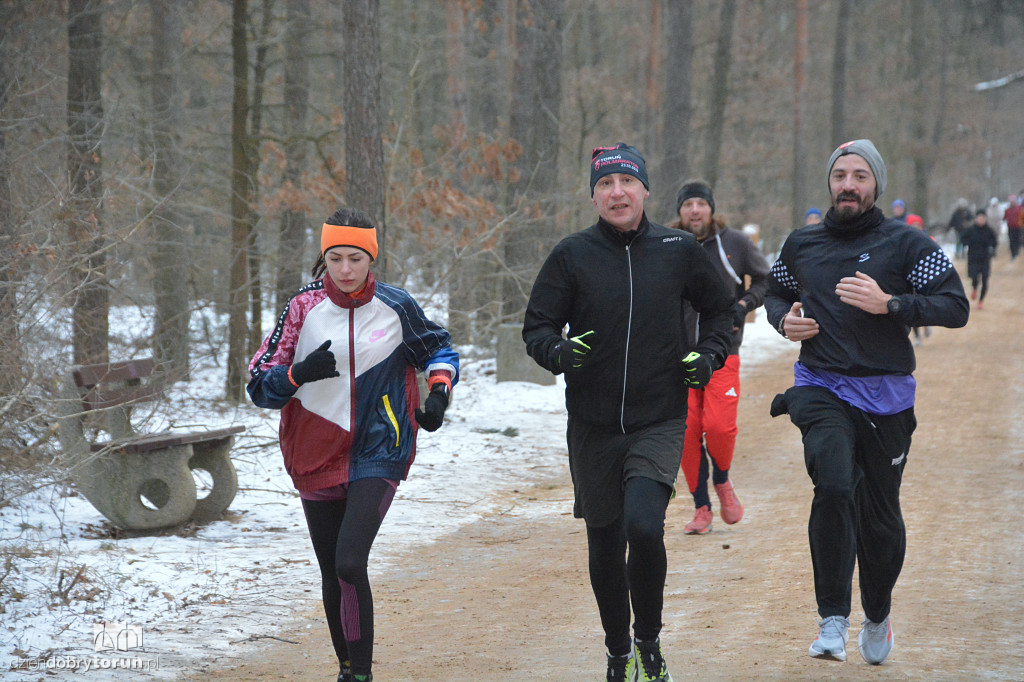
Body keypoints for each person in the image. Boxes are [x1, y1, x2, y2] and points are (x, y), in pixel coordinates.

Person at [523, 143, 733, 682]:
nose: (617, 192)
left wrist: (708, 356)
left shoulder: (678, 248)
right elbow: (537, 327)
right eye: (605, 184)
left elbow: (722, 310)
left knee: (644, 527)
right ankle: (619, 650)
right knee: (604, 539)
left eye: (626, 182)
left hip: (658, 418)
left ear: (644, 190)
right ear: (593, 195)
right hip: (592, 425)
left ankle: (650, 643)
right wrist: (559, 353)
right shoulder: (572, 255)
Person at [765, 140, 969, 666]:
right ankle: (832, 619)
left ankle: (876, 614)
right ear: (829, 184)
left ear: (876, 184)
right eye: (839, 175)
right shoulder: (802, 244)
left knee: (880, 522)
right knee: (832, 484)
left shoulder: (906, 243)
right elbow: (773, 292)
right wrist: (783, 320)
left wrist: (892, 304)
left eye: (859, 175)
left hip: (886, 397)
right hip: (821, 385)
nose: (848, 184)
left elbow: (955, 305)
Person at [247, 208, 460, 682]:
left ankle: (360, 675)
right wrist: (297, 374)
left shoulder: (396, 305)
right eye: (336, 258)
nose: (346, 269)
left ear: (371, 258)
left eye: (356, 258)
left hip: (380, 447)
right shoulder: (302, 308)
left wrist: (440, 392)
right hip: (314, 452)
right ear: (324, 259)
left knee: (349, 560)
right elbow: (259, 384)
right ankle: (346, 668)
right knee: (332, 572)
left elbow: (439, 350)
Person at [669, 180, 770, 535]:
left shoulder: (735, 243)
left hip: (723, 352)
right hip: (677, 358)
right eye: (687, 205)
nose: (694, 210)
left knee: (719, 427)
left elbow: (764, 280)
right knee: (686, 432)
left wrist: (742, 306)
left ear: (710, 208)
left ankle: (723, 481)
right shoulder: (667, 245)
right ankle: (701, 509)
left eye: (700, 203)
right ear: (679, 211)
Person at [960, 208, 998, 309]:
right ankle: (975, 288)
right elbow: (962, 238)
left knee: (985, 279)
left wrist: (992, 248)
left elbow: (995, 241)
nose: (980, 220)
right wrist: (966, 244)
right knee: (974, 276)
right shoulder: (970, 230)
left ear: (985, 219)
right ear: (976, 219)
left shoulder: (989, 230)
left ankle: (981, 301)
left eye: (982, 218)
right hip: (973, 257)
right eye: (979, 218)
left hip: (985, 258)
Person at [1004, 195, 1023, 261]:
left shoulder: (1020, 208)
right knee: (1011, 241)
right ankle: (1013, 253)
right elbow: (1005, 218)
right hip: (1010, 227)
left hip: (1018, 227)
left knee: (1017, 239)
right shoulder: (1007, 210)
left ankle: (1017, 251)